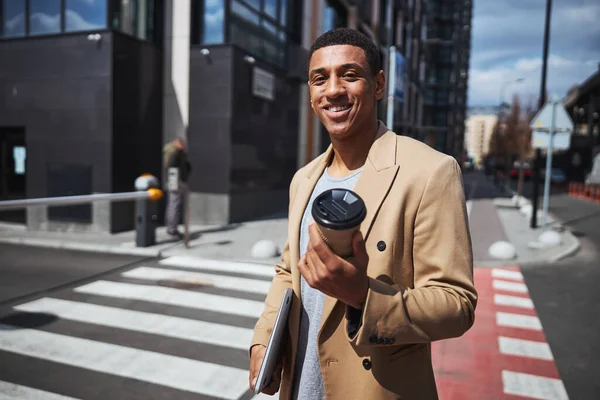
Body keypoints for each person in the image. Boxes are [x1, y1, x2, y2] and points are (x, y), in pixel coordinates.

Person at [248, 28, 477, 400]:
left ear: (378, 85)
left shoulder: (430, 171)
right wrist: (264, 341)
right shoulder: (303, 179)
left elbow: (457, 304)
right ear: (310, 94)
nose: (333, 89)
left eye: (349, 75)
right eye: (320, 79)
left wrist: (363, 297)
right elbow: (288, 272)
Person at [163, 137, 191, 238]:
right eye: (181, 144)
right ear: (176, 143)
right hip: (176, 183)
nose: (183, 146)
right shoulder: (173, 153)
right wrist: (178, 183)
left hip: (176, 182)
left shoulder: (177, 152)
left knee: (174, 205)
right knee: (174, 205)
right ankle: (171, 230)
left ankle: (172, 228)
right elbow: (172, 169)